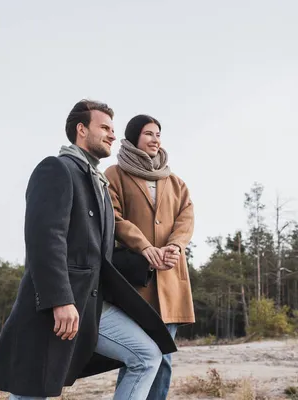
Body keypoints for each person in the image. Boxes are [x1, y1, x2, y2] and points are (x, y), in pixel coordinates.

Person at [0, 100, 177, 400]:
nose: (112, 135)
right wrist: (60, 300)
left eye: (113, 129)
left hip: (92, 304)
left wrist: (146, 259)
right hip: (56, 302)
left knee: (147, 354)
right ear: (81, 129)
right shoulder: (57, 169)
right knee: (32, 387)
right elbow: (44, 240)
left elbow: (99, 254)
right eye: (104, 128)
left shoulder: (99, 183)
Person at [105, 114, 195, 399]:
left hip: (170, 278)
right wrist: (144, 246)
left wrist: (176, 247)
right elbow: (114, 218)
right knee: (137, 355)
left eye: (158, 134)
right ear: (133, 138)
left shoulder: (175, 181)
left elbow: (186, 218)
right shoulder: (114, 175)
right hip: (135, 282)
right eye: (148, 133)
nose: (156, 139)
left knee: (164, 356)